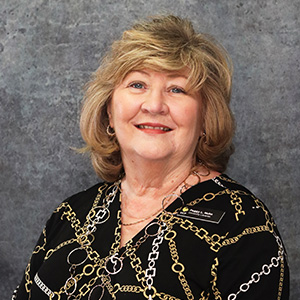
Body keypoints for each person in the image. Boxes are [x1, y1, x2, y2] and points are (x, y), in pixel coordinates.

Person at [13, 15, 289, 300]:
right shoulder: (72, 214)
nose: (155, 105)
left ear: (207, 117)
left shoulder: (244, 228)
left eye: (177, 89)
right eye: (137, 85)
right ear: (109, 109)